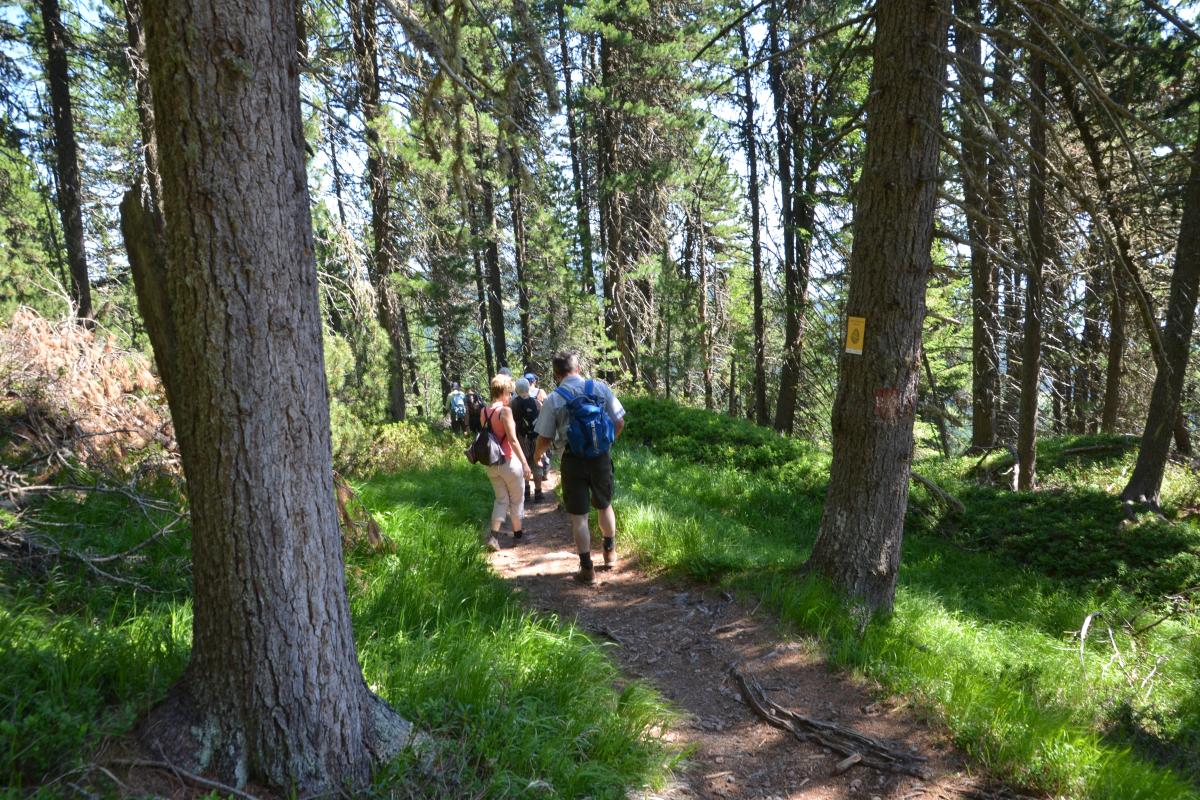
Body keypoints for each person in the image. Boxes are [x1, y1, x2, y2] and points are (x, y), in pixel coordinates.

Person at [533, 351, 625, 583]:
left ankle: (587, 568)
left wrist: (536, 457)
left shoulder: (554, 398)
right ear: (579, 368)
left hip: (573, 460)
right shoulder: (600, 388)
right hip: (601, 457)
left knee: (579, 517)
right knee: (605, 505)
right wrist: (606, 443)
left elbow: (544, 438)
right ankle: (610, 553)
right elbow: (620, 421)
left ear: (556, 374)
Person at [481, 373, 534, 551]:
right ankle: (519, 535)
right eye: (509, 393)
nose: (510, 396)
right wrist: (525, 463)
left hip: (491, 464)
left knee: (501, 500)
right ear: (503, 391)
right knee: (517, 500)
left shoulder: (484, 411)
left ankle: (493, 537)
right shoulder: (505, 411)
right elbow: (512, 439)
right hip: (509, 462)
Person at [513, 377, 546, 504]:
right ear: (528, 388)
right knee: (537, 462)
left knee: (523, 463)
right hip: (535, 438)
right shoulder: (537, 403)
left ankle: (526, 491)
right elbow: (543, 421)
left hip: (521, 438)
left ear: (517, 389)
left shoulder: (513, 403)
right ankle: (538, 492)